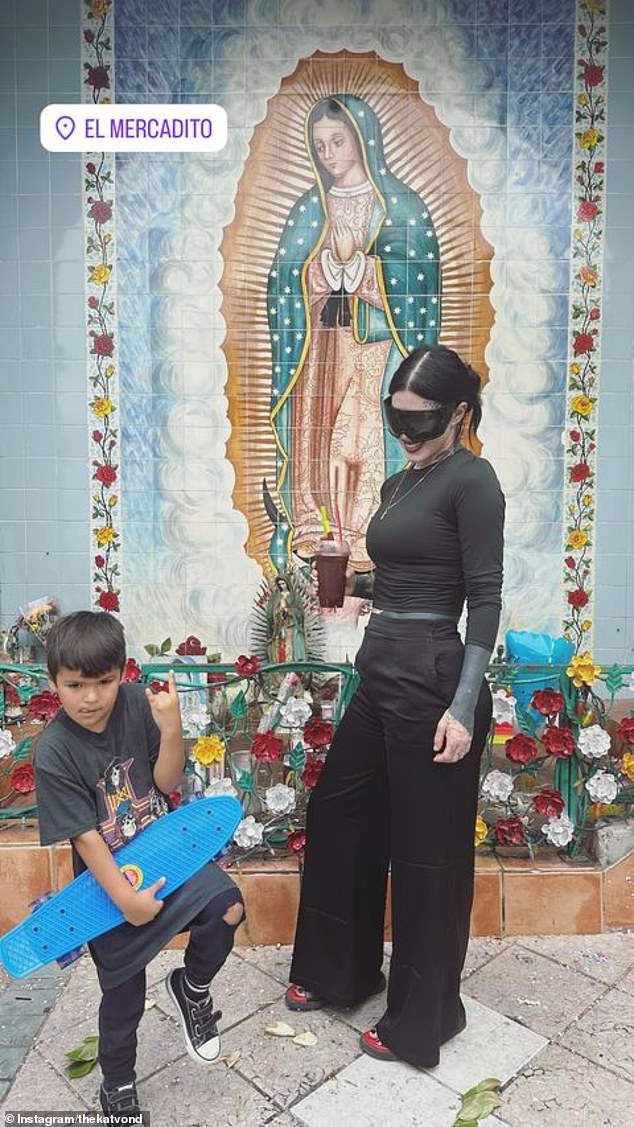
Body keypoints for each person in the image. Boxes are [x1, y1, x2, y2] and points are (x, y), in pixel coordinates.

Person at [285, 345, 505, 1070]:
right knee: (340, 812)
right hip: (380, 672)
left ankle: (424, 1018)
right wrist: (356, 588)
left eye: (422, 420)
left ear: (461, 414)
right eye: (396, 417)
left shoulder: (475, 482)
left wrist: (463, 706)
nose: (405, 431)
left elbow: (482, 599)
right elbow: (410, 577)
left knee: (426, 855)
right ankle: (340, 970)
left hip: (436, 680)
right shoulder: (399, 481)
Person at [34, 612, 245, 1120]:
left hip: (166, 851)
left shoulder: (136, 705)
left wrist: (171, 730)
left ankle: (191, 988)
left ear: (122, 674)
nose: (90, 698)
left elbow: (167, 784)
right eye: (75, 685)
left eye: (103, 682)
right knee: (123, 996)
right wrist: (125, 901)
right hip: (109, 879)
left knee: (228, 908)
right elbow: (87, 839)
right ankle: (118, 1085)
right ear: (53, 683)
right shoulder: (54, 750)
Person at [267, 93, 441, 571]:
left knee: (359, 438)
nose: (329, 154)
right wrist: (326, 266)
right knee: (321, 439)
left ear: (364, 140)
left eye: (338, 141)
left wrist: (360, 267)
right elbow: (283, 279)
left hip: (379, 348)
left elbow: (419, 283)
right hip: (321, 348)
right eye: (319, 145)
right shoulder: (310, 208)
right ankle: (317, 524)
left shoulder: (401, 208)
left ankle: (369, 532)